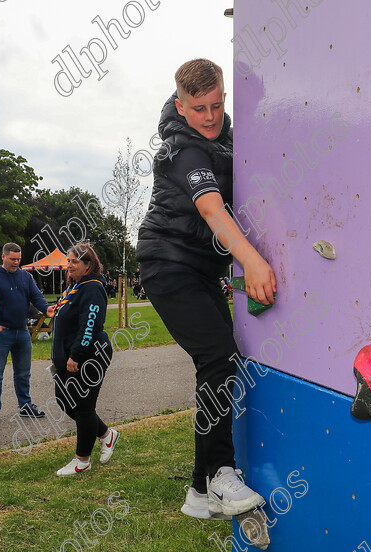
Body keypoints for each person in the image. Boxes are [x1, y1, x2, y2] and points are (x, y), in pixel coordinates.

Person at [136, 59, 277, 520]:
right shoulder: (183, 151)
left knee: (222, 360)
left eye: (217, 105)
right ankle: (220, 473)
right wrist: (251, 259)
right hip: (167, 265)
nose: (211, 116)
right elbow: (214, 211)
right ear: (181, 105)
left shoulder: (226, 140)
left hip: (201, 270)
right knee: (218, 356)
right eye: (199, 109)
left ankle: (198, 494)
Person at [48, 244, 118, 476]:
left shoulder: (92, 288)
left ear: (88, 265)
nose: (69, 265)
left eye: (74, 262)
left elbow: (90, 323)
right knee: (65, 401)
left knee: (83, 407)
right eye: (68, 261)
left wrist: (76, 355)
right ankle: (106, 435)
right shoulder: (76, 287)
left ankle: (82, 460)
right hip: (68, 357)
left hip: (88, 357)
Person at [0, 243, 55, 424]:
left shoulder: (25, 277)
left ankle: (25, 405)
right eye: (12, 259)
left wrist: (46, 308)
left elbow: (36, 297)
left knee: (23, 373)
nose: (16, 262)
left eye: (19, 259)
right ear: (3, 257)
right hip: (1, 335)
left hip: (22, 333)